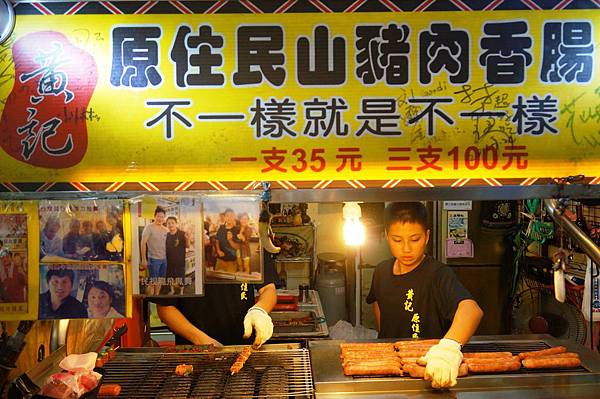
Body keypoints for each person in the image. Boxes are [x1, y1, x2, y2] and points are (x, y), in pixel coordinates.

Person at [366, 202, 483, 389]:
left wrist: (448, 350)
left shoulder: (438, 274)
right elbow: (378, 306)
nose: (406, 249)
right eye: (397, 240)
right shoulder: (381, 271)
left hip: (428, 371)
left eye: (414, 239)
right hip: (391, 371)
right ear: (386, 236)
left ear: (427, 236)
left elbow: (471, 310)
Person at [140, 206, 168, 295]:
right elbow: (143, 243)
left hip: (164, 260)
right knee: (152, 282)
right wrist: (144, 259)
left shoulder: (166, 229)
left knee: (160, 280)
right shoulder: (149, 227)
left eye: (162, 217)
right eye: (158, 216)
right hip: (153, 259)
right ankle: (149, 299)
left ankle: (157, 296)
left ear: (164, 218)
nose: (160, 219)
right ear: (154, 216)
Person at [165, 216, 188, 295]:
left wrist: (187, 239)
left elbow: (188, 246)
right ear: (166, 225)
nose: (170, 225)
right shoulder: (167, 235)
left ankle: (181, 291)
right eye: (168, 223)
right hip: (169, 260)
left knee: (180, 276)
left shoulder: (182, 233)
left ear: (176, 224)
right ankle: (172, 290)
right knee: (170, 276)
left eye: (172, 223)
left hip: (180, 261)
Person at [214, 208, 240, 273]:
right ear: (224, 217)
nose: (229, 218)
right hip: (220, 260)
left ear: (234, 217)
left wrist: (230, 240)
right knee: (218, 279)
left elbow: (237, 247)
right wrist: (218, 250)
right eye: (227, 216)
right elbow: (217, 240)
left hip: (231, 261)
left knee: (230, 281)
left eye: (231, 216)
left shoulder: (237, 230)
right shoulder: (221, 228)